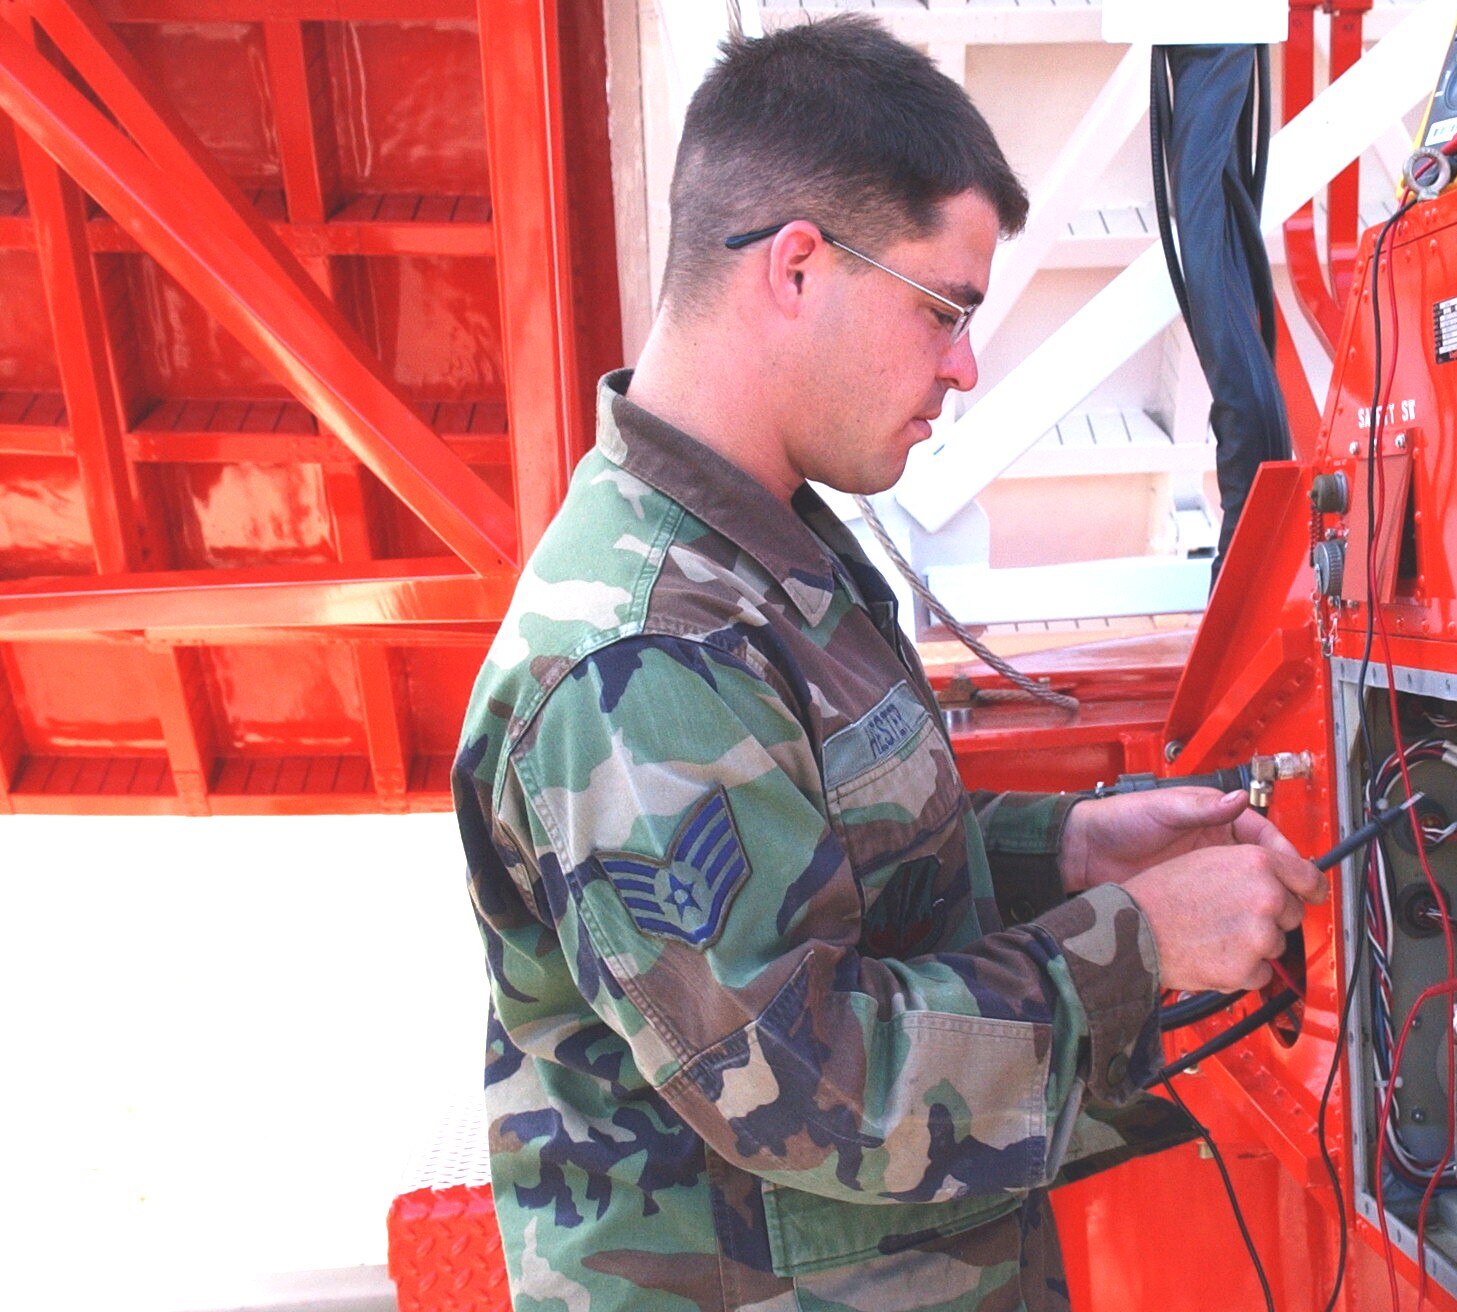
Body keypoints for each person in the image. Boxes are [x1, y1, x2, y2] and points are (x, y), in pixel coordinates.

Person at [453, 16, 1325, 1311]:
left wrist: (1067, 852)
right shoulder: (640, 656)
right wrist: (1137, 946)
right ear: (797, 267)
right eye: (943, 310)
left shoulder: (764, 548)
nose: (965, 367)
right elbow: (799, 1081)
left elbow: (828, 864)